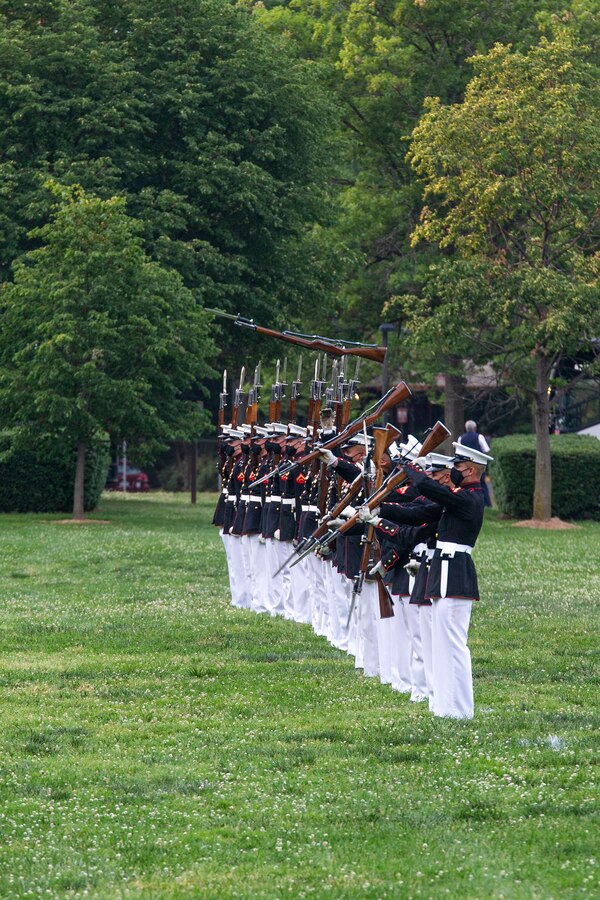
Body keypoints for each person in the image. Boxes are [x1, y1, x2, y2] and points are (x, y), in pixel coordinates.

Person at [399, 441, 493, 719]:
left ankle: (460, 710)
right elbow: (416, 513)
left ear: (472, 470)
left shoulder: (469, 498)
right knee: (441, 644)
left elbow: (430, 488)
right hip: (444, 572)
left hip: (456, 572)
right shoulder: (458, 498)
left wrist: (409, 467)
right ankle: (444, 705)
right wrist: (379, 514)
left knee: (453, 645)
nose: (453, 471)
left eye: (458, 466)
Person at [459, 421, 492, 507]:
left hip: (466, 466)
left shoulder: (461, 438)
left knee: (467, 485)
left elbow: (459, 453)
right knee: (482, 484)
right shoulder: (479, 437)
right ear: (475, 428)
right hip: (478, 465)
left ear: (466, 428)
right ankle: (487, 504)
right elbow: (486, 450)